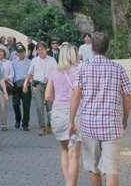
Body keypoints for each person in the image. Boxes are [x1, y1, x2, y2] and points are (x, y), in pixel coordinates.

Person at [69, 32, 131, 186]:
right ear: (107, 49)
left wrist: (71, 121)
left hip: (89, 126)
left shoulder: (83, 68)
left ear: (92, 48)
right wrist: (124, 119)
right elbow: (127, 97)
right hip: (112, 126)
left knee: (93, 168)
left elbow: (76, 96)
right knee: (112, 170)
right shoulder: (118, 69)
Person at [47, 44, 82, 186]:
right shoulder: (79, 71)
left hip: (57, 114)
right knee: (73, 154)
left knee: (64, 150)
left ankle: (68, 182)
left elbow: (48, 96)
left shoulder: (54, 73)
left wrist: (58, 102)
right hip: (74, 116)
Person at [23, 37, 56, 135]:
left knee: (50, 108)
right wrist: (25, 84)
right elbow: (29, 73)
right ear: (36, 50)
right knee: (39, 106)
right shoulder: (34, 60)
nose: (40, 50)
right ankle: (42, 127)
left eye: (42, 48)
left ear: (47, 49)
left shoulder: (52, 60)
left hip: (50, 85)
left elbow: (57, 74)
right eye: (39, 49)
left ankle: (50, 125)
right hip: (38, 85)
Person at [10, 42, 32, 131]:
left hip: (26, 84)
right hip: (16, 85)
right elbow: (11, 73)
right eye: (19, 52)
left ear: (25, 52)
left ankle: (25, 124)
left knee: (26, 105)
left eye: (22, 52)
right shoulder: (13, 62)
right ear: (16, 53)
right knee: (15, 104)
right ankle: (18, 120)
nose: (21, 54)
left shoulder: (30, 62)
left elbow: (31, 74)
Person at [0, 45, 14, 131]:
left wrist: (6, 78)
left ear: (4, 53)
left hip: (4, 86)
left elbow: (12, 73)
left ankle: (4, 124)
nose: (0, 53)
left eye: (1, 51)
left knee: (3, 105)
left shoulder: (9, 62)